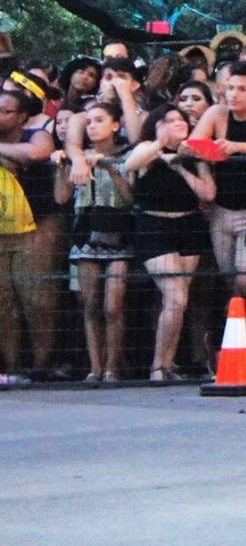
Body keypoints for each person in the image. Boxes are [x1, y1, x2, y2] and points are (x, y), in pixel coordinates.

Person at [126, 103, 215, 382]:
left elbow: (208, 193)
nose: (178, 123)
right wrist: (162, 143)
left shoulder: (192, 153)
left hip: (188, 226)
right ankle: (158, 367)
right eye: (169, 120)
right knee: (175, 296)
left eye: (181, 119)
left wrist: (183, 166)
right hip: (155, 226)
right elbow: (130, 163)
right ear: (156, 124)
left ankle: (167, 363)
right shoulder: (148, 150)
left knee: (178, 300)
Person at [60, 101, 132, 383]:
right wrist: (62, 168)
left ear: (115, 125)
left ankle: (114, 365)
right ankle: (95, 367)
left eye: (99, 120)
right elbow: (62, 197)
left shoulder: (127, 154)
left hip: (117, 233)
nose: (92, 126)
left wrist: (111, 169)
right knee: (89, 304)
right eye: (89, 122)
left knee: (113, 305)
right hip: (85, 233)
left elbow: (130, 200)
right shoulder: (77, 156)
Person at [0, 76, 59, 383]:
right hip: (1, 230)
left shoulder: (37, 134)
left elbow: (35, 154)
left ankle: (41, 364)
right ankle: (10, 368)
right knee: (3, 300)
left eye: (5, 112)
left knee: (36, 297)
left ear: (21, 116)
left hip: (37, 228)